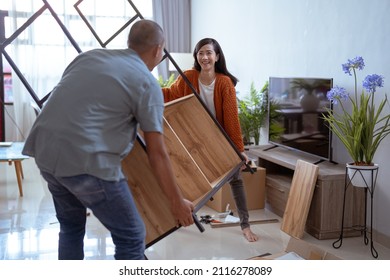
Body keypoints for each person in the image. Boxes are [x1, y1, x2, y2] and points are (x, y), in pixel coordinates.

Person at [22, 19, 194, 260]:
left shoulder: (89, 57)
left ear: (129, 43)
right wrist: (177, 202)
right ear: (158, 50)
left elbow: (76, 103)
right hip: (86, 164)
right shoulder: (147, 83)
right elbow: (157, 152)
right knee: (132, 237)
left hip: (45, 153)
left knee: (71, 228)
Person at [162, 38, 258, 242]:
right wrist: (144, 90)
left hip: (220, 139)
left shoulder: (224, 82)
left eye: (208, 53)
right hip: (194, 138)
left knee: (236, 180)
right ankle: (181, 217)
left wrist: (239, 150)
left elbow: (232, 119)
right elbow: (170, 95)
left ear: (217, 57)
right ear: (196, 57)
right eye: (200, 53)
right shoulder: (188, 76)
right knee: (185, 177)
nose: (204, 57)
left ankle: (245, 226)